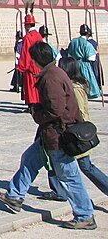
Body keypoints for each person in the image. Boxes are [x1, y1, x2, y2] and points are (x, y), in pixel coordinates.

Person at [0, 42, 96, 230]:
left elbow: (56, 109)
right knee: (29, 159)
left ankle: (85, 214)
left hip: (58, 134)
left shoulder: (51, 78)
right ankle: (15, 195)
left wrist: (37, 115)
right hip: (50, 134)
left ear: (36, 60)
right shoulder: (55, 73)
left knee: (69, 176)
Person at [43, 57, 108, 200]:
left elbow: (76, 111)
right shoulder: (79, 84)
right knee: (56, 162)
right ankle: (59, 191)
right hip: (76, 131)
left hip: (77, 133)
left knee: (86, 166)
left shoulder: (75, 88)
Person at [16, 9, 44, 108]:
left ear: (27, 25)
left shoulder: (28, 37)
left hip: (31, 65)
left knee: (31, 85)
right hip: (39, 65)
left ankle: (32, 105)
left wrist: (22, 66)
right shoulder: (39, 36)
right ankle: (39, 102)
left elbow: (26, 53)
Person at [66, 25, 101, 99]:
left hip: (74, 64)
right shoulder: (87, 44)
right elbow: (91, 58)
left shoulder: (73, 42)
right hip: (84, 64)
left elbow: (69, 55)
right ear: (88, 34)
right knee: (86, 80)